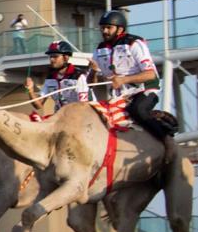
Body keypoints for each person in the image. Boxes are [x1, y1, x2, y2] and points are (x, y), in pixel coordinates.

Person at [89, 9, 177, 160]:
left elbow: (150, 74)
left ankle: (166, 140)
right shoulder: (99, 49)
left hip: (145, 90)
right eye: (102, 28)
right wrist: (94, 71)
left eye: (108, 27)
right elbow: (91, 83)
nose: (104, 31)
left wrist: (123, 80)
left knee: (137, 110)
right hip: (120, 96)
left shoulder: (134, 43)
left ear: (120, 29)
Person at [24, 40, 94, 118]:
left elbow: (84, 105)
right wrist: (30, 90)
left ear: (66, 57)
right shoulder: (50, 78)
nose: (51, 59)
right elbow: (38, 105)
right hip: (62, 118)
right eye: (50, 56)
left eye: (55, 56)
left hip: (82, 117)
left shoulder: (79, 76)